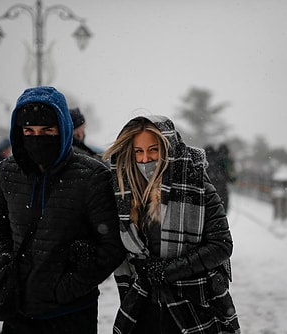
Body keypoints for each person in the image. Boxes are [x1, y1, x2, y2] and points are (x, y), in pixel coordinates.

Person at [0, 86, 126, 334]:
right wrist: (5, 262)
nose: (37, 138)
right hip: (18, 308)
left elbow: (112, 245)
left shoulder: (92, 176)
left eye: (47, 130)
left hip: (71, 313)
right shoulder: (7, 171)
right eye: (29, 131)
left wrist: (67, 287)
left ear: (63, 129)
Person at [103, 115, 240, 334]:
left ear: (168, 148)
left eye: (153, 150)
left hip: (194, 305)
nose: (146, 159)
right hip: (143, 305)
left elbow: (221, 245)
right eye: (139, 151)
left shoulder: (199, 188)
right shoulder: (123, 195)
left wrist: (168, 271)